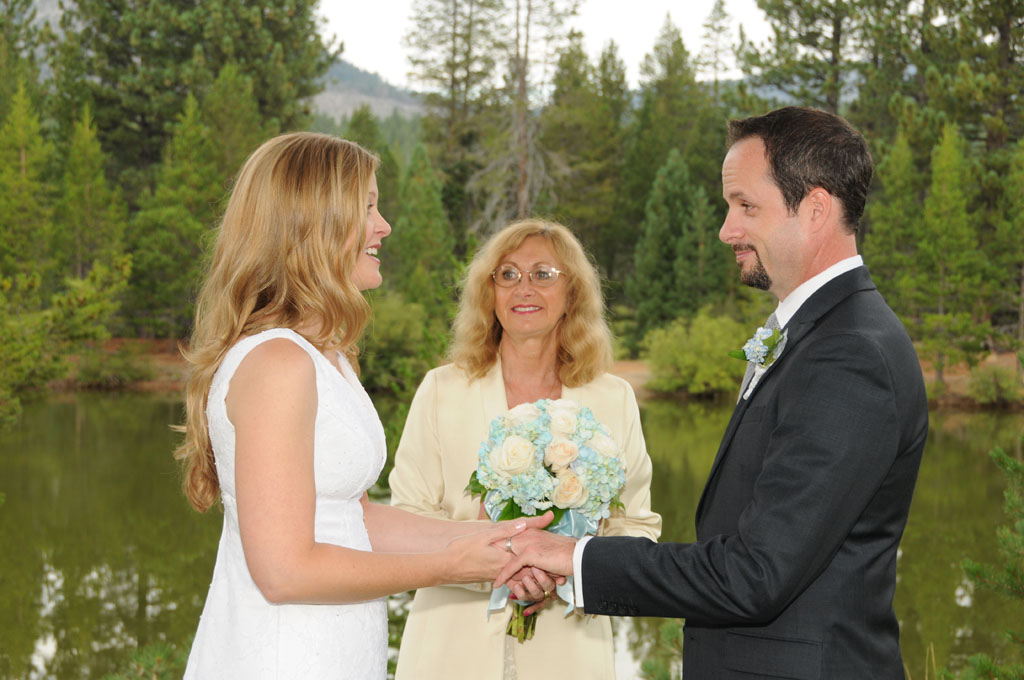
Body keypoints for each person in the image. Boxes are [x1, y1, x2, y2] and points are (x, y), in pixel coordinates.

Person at [496, 107, 929, 678]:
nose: (727, 229)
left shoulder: (849, 353)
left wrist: (574, 557)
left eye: (746, 206)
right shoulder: (819, 333)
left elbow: (756, 576)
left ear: (816, 208)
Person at [174, 132, 550, 679]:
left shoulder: (325, 356)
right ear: (313, 223)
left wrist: (500, 540)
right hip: (284, 657)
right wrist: (452, 565)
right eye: (368, 207)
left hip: (337, 650)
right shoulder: (278, 364)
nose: (384, 225)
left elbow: (353, 517)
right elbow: (282, 571)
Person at [389, 218, 662, 680]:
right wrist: (494, 561)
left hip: (570, 652)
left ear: (572, 292)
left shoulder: (612, 399)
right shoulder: (441, 389)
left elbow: (635, 528)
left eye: (543, 274)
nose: (524, 288)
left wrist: (564, 571)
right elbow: (406, 518)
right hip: (449, 648)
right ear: (488, 292)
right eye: (508, 274)